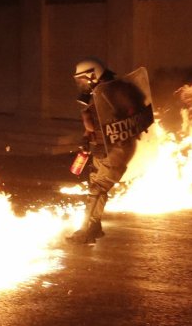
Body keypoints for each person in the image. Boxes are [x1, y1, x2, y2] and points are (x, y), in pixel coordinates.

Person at [68, 57, 149, 244]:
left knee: (98, 188)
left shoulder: (113, 91)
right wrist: (87, 140)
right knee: (97, 186)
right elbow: (94, 123)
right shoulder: (101, 93)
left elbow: (127, 113)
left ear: (92, 75)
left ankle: (86, 230)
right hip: (104, 147)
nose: (80, 84)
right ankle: (94, 227)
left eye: (82, 79)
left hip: (115, 147)